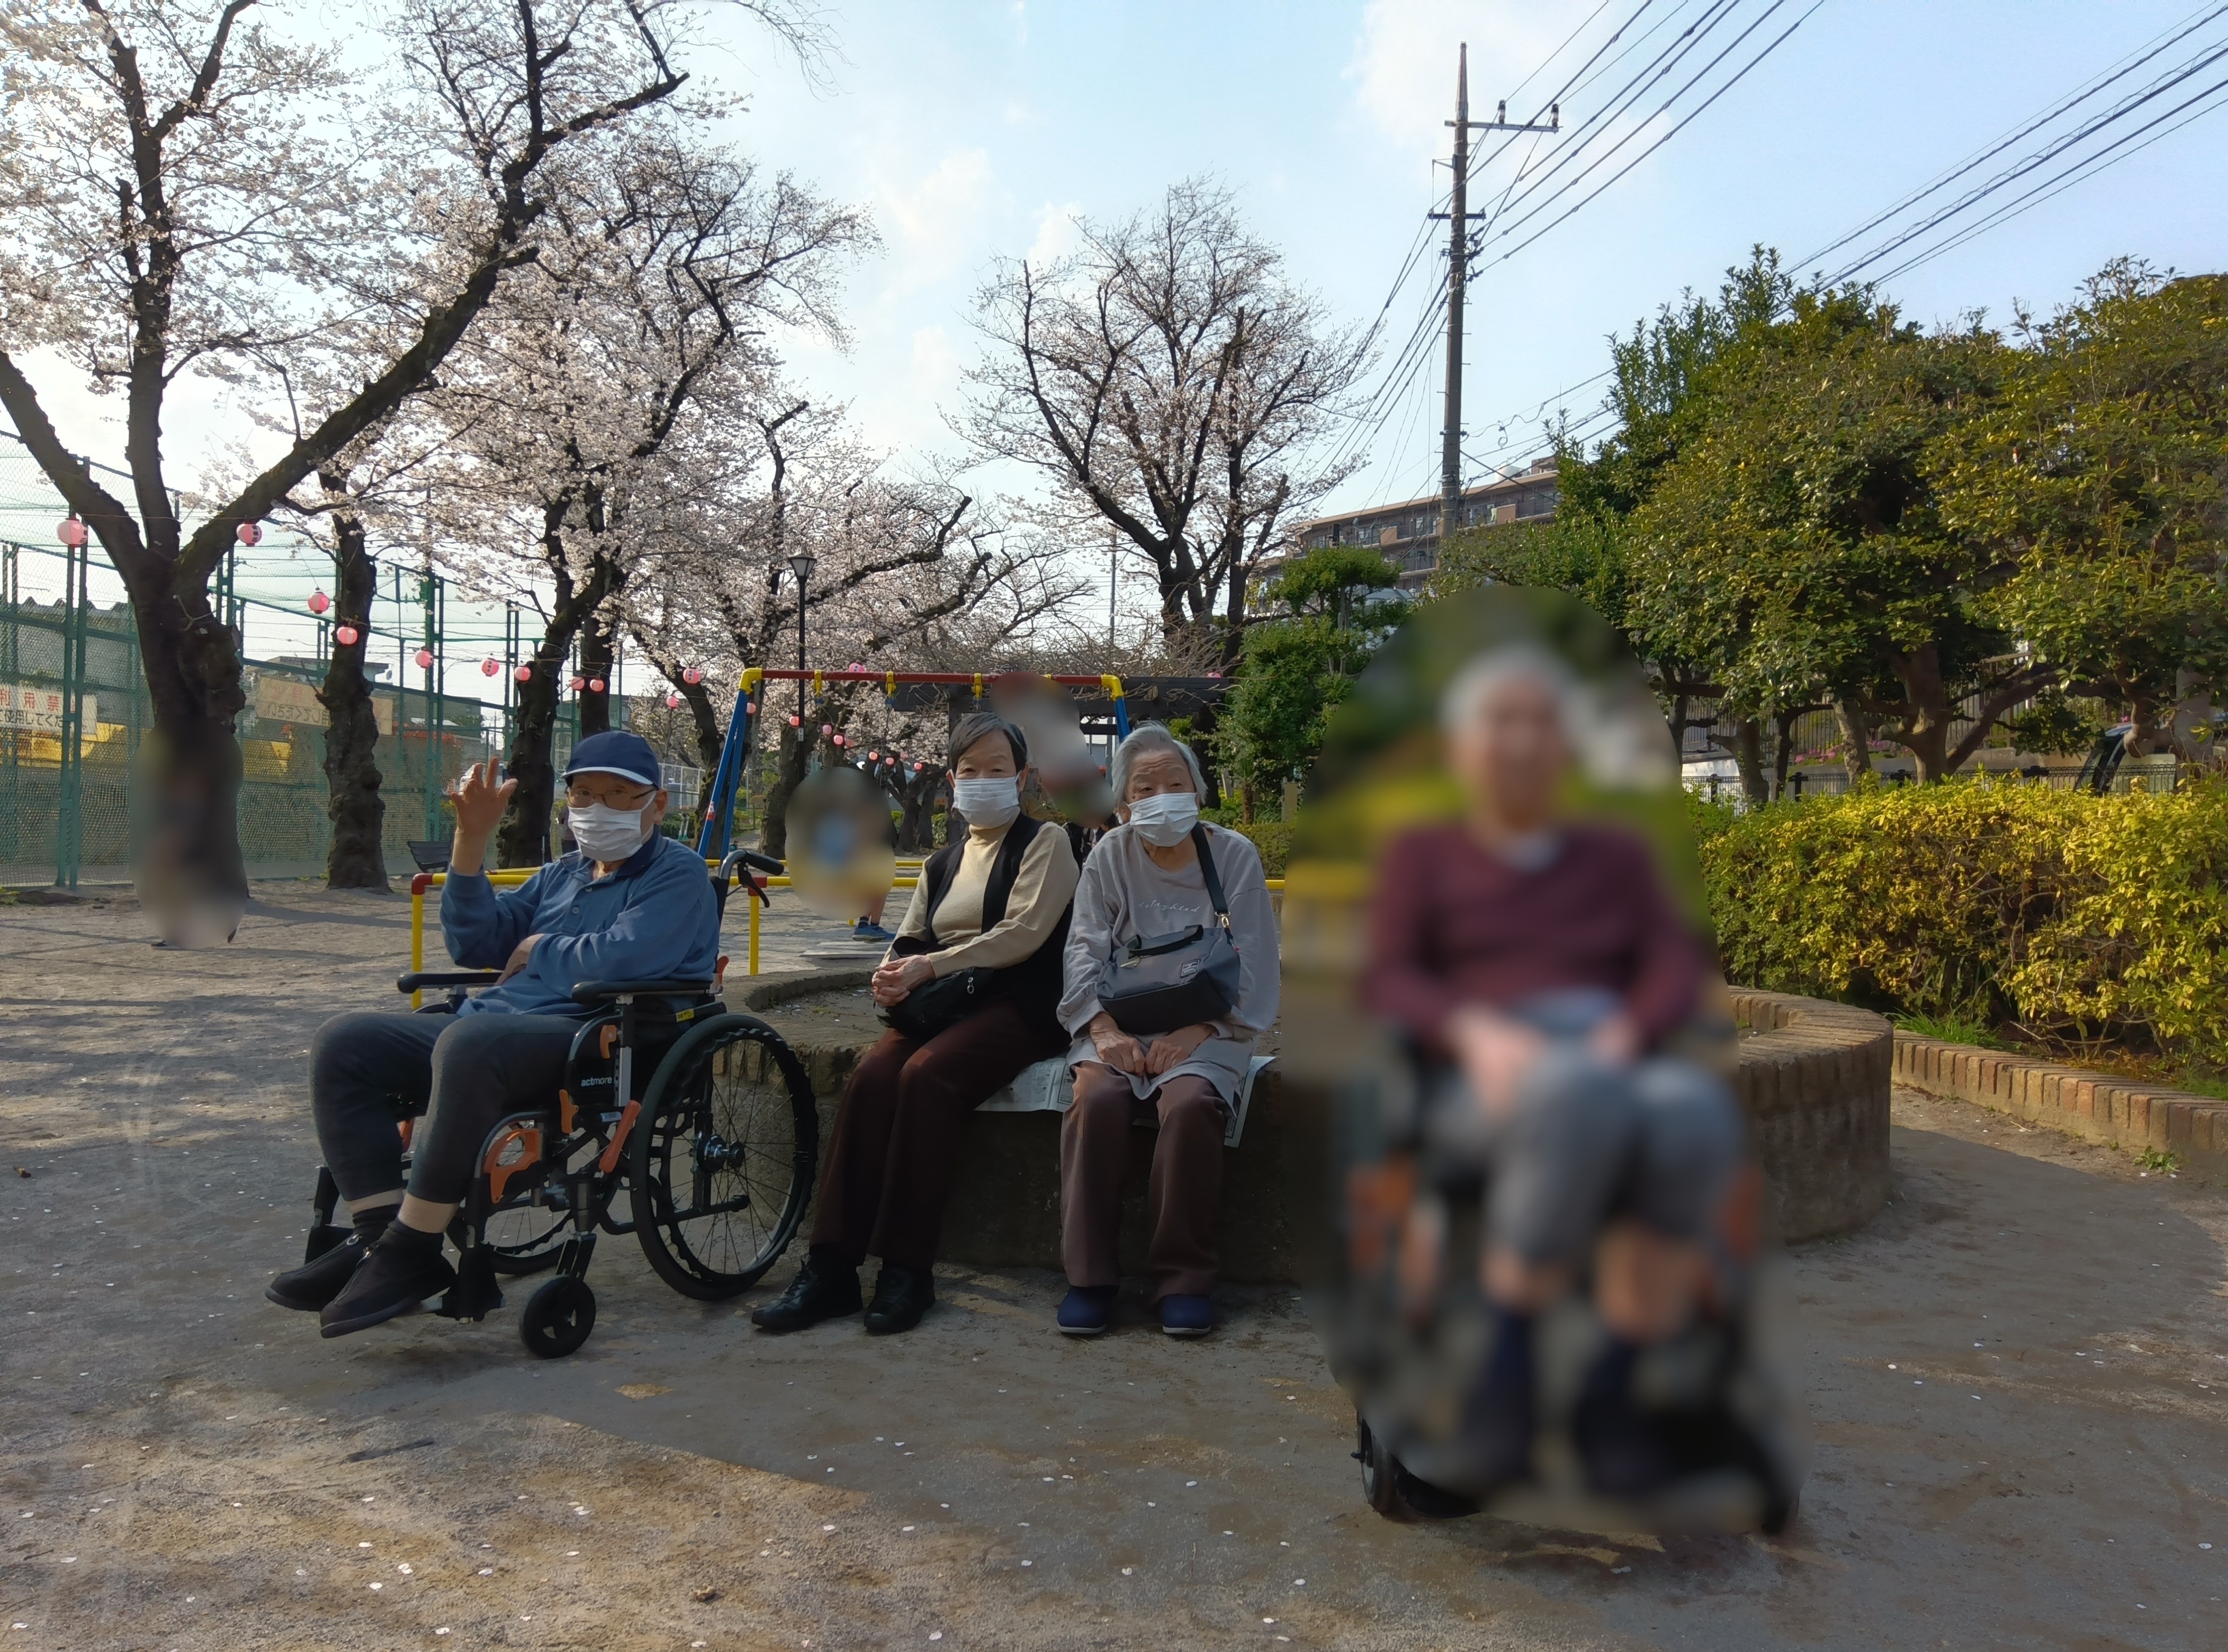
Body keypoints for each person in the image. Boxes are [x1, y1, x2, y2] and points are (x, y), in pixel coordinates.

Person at [1363, 645, 1744, 1494]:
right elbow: (1389, 975)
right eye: (1503, 720)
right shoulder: (1426, 851)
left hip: (1611, 1060)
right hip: (1474, 1079)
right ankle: (1511, 1363)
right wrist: (1473, 1031)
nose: (1524, 740)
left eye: (1542, 721)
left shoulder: (1616, 854)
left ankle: (1617, 1386)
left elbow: (1673, 966)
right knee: (1574, 1092)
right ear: (1462, 746)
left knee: (1688, 1109)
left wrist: (1625, 1032)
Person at [265, 731, 720, 1338]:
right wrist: (470, 842)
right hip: (494, 1029)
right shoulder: (562, 875)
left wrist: (541, 948)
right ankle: (383, 1244)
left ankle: (410, 1245)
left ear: (657, 805)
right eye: (584, 796)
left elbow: (630, 957)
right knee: (346, 1042)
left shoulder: (678, 874)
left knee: (467, 1044)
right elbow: (479, 945)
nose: (598, 810)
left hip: (598, 1034)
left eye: (618, 796)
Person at [751, 713, 1080, 1336]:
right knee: (872, 1079)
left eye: (997, 770)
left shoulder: (1046, 844)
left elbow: (1023, 935)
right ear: (952, 779)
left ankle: (907, 1270)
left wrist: (928, 966)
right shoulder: (942, 861)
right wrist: (890, 975)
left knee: (928, 1078)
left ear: (1024, 778)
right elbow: (907, 937)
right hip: (943, 1001)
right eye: (969, 771)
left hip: (1019, 1004)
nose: (982, 781)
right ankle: (830, 1268)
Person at [1055, 722, 1279, 1338]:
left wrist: (1203, 1028)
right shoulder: (1108, 855)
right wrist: (1099, 1029)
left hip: (1209, 1025)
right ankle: (1089, 1277)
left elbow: (1256, 956)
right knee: (1094, 1098)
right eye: (1144, 788)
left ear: (1197, 791)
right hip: (1118, 1022)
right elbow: (1082, 949)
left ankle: (1182, 1280)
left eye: (1174, 783)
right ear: (1123, 804)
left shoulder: (1232, 853)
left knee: (1190, 1103)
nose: (1161, 797)